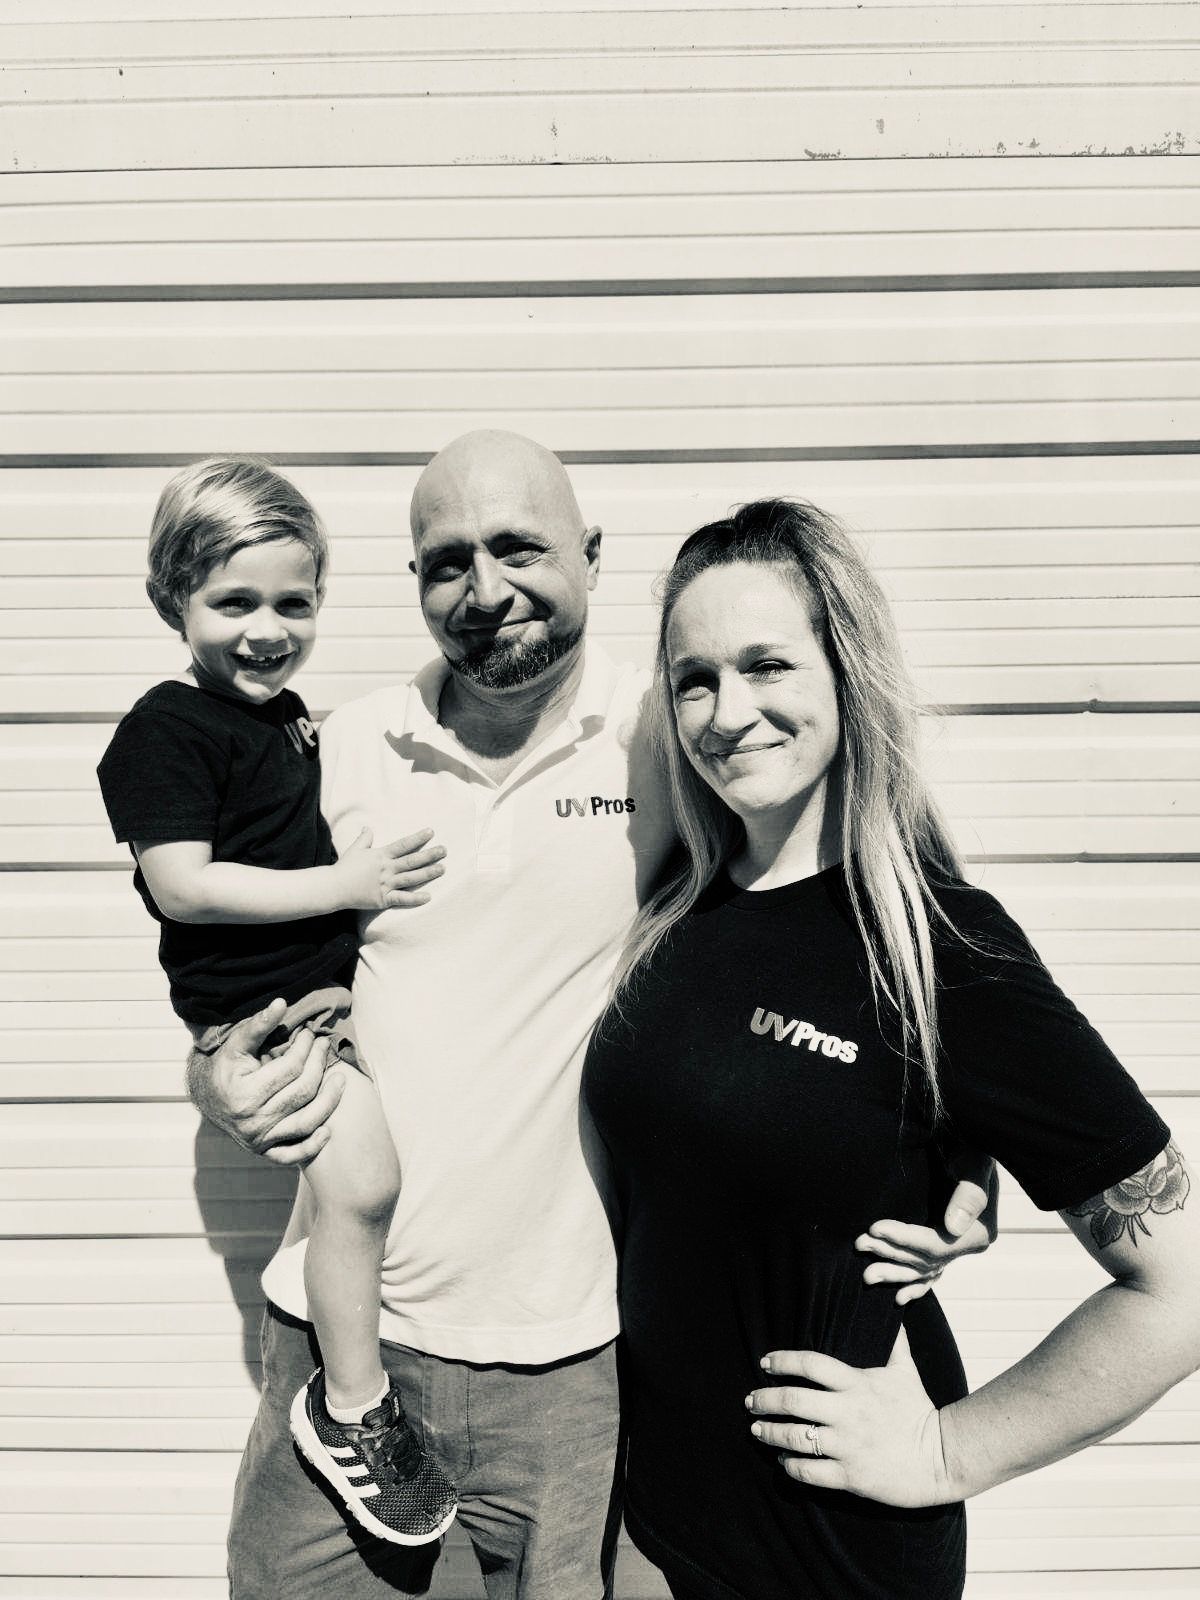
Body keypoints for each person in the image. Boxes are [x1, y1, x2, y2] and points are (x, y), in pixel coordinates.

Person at [186, 433, 997, 1600]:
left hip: (579, 1372)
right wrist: (218, 1079)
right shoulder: (337, 750)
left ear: (593, 554)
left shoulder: (675, 733)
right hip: (345, 1351)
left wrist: (958, 1138)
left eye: (519, 547)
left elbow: (860, 908)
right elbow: (230, 974)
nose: (486, 589)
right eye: (446, 561)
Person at [581, 496, 1200, 1600]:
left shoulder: (938, 948)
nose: (728, 712)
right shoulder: (678, 916)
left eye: (768, 665)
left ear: (844, 673)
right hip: (663, 1534)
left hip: (830, 1557)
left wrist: (946, 1451)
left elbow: (1182, 1286)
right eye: (694, 677)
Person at [96, 457, 458, 1546]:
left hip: (314, 998)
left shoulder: (294, 719)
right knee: (365, 1175)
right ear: (174, 600)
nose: (267, 628)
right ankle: (352, 1406)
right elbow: (183, 883)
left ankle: (354, 1389)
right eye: (233, 602)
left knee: (366, 1179)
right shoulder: (165, 728)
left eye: (293, 602)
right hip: (267, 1011)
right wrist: (346, 886)